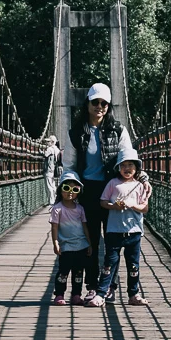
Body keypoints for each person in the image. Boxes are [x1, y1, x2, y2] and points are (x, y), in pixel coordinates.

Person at [62, 82, 135, 304]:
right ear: (88, 104)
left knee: (113, 242)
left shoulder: (119, 130)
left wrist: (142, 178)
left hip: (113, 190)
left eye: (104, 103)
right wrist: (69, 193)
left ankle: (109, 286)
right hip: (87, 192)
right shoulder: (75, 133)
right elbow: (69, 167)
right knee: (90, 241)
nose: (100, 107)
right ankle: (93, 286)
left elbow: (128, 160)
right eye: (96, 102)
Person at [87, 148, 150, 307]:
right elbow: (103, 202)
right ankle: (101, 294)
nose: (127, 169)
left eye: (131, 165)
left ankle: (133, 294)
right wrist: (113, 206)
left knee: (133, 264)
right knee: (109, 263)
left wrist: (133, 205)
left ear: (137, 168)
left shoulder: (139, 185)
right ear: (118, 168)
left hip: (134, 231)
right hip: (114, 230)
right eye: (123, 165)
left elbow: (145, 208)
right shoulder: (112, 183)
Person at [50, 170, 92, 306]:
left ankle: (76, 295)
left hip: (81, 245)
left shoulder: (80, 209)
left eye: (75, 189)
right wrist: (55, 243)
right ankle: (59, 294)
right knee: (63, 271)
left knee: (79, 272)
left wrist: (89, 243)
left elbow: (85, 227)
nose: (70, 192)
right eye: (66, 188)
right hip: (66, 245)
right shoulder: (57, 209)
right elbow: (54, 227)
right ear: (60, 189)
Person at [43, 135, 61, 206]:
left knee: (49, 186)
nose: (47, 143)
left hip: (48, 170)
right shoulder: (57, 149)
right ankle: (55, 199)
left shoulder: (50, 149)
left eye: (48, 141)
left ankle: (51, 201)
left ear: (52, 142)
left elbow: (45, 154)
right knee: (53, 185)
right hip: (54, 170)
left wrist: (41, 151)